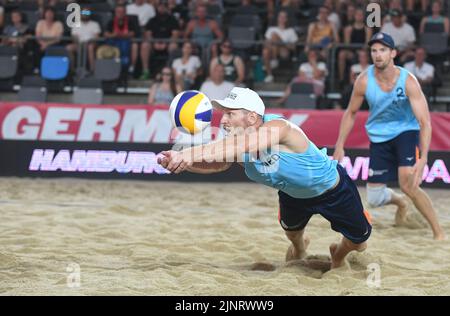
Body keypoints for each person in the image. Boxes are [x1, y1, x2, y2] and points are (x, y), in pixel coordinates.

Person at [158, 87, 372, 269]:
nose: (222, 120)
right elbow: (220, 163)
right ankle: (300, 247)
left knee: (359, 242)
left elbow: (241, 146)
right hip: (293, 195)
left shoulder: (280, 129)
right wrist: (182, 163)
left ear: (251, 117)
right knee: (292, 233)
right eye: (222, 114)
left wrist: (186, 154)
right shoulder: (237, 139)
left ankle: (338, 254)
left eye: (230, 114)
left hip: (333, 191)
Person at [333, 32, 446, 240]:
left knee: (408, 184)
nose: (378, 55)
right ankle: (401, 202)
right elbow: (350, 113)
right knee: (375, 199)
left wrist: (424, 159)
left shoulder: (408, 81)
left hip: (405, 131)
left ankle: (438, 232)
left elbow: (425, 122)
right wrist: (340, 145)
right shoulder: (364, 80)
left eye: (383, 50)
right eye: (374, 50)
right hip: (379, 137)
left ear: (393, 53)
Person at [262, 10, 299, 83]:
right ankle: (269, 75)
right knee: (265, 51)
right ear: (277, 18)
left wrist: (281, 42)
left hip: (284, 52)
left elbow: (294, 47)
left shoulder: (290, 30)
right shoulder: (271, 28)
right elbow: (266, 43)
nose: (282, 18)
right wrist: (271, 43)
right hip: (271, 49)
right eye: (280, 16)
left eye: (284, 17)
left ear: (286, 19)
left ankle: (274, 60)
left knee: (274, 35)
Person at [66, 7, 101, 73]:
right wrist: (78, 42)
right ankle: (72, 70)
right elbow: (73, 37)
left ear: (89, 14)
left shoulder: (94, 24)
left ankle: (92, 70)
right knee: (69, 48)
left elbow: (97, 37)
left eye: (87, 12)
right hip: (79, 44)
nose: (85, 14)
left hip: (91, 44)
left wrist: (89, 42)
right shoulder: (76, 24)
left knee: (90, 47)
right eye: (83, 12)